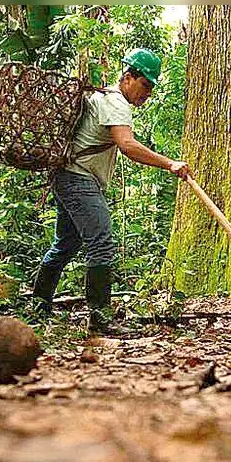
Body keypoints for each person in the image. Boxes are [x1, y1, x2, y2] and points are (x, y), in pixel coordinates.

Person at [32, 48, 190, 334]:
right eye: (145, 85)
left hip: (67, 175)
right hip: (78, 178)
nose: (148, 93)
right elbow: (127, 145)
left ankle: (38, 307)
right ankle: (100, 320)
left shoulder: (101, 96)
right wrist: (170, 164)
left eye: (152, 87)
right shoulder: (116, 102)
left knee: (66, 244)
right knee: (101, 242)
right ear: (128, 77)